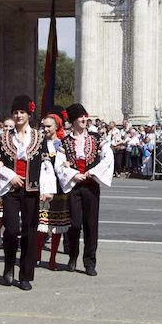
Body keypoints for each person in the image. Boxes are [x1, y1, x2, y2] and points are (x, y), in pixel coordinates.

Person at [0, 95, 48, 290]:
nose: (18, 115)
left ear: (29, 114)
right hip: (11, 188)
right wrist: (10, 175)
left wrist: (47, 189)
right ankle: (9, 265)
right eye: (15, 112)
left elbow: (46, 164)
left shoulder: (39, 137)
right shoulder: (3, 136)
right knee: (12, 229)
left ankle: (25, 275)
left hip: (32, 189)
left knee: (29, 232)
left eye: (22, 112)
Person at [54, 103, 114, 276]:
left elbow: (108, 156)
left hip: (91, 186)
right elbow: (59, 163)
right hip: (74, 186)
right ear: (73, 120)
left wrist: (94, 172)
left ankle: (89, 262)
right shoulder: (65, 142)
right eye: (80, 117)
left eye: (85, 116)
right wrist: (73, 174)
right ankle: (72, 256)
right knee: (74, 224)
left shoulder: (96, 138)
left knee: (91, 224)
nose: (84, 119)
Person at [36, 108, 69, 271]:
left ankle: (53, 258)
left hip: (59, 189)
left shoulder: (62, 144)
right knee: (41, 224)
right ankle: (37, 255)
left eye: (49, 126)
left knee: (57, 226)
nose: (46, 129)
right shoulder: (38, 143)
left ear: (56, 127)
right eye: (44, 126)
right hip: (43, 188)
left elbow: (68, 165)